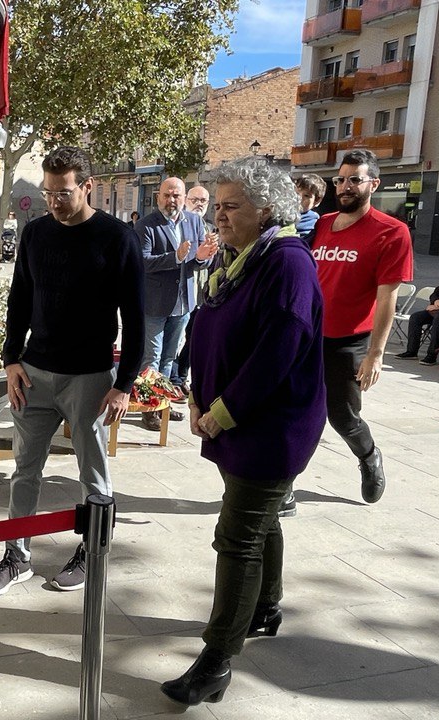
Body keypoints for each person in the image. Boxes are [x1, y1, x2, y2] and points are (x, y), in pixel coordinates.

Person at [160, 156, 325, 709]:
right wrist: (194, 391)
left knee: (237, 538)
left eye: (231, 207)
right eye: (219, 205)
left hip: (269, 426)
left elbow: (279, 350)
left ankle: (216, 660)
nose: (220, 217)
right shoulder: (240, 258)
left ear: (267, 209)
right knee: (259, 518)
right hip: (231, 416)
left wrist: (222, 410)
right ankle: (265, 608)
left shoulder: (287, 263)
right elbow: (210, 322)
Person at [0, 146, 145, 597]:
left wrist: (124, 383)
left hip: (89, 376)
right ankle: (17, 556)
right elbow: (19, 300)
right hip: (34, 372)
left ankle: (93, 551)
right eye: (49, 192)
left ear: (87, 186)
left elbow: (136, 317)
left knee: (92, 472)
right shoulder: (35, 235)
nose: (55, 201)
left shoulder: (117, 237)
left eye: (64, 192)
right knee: (23, 471)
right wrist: (11, 359)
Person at [304, 149, 413, 512]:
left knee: (342, 416)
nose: (346, 186)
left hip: (348, 340)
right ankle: (282, 483)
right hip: (306, 335)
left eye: (355, 179)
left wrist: (376, 354)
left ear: (373, 184)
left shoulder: (392, 232)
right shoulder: (322, 224)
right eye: (341, 179)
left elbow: (387, 299)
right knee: (296, 410)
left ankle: (369, 455)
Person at [136, 177, 219, 429]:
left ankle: (163, 404)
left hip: (183, 302)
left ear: (185, 198)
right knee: (152, 358)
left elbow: (196, 261)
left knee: (170, 359)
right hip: (155, 304)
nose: (171, 200)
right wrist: (176, 257)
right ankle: (148, 408)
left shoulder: (194, 222)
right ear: (158, 196)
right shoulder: (146, 225)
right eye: (167, 195)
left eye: (176, 196)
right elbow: (142, 262)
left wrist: (203, 257)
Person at [172, 185, 217, 394]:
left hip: (202, 294)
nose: (199, 204)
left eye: (204, 201)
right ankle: (172, 379)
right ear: (185, 199)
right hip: (179, 295)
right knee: (174, 340)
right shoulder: (178, 225)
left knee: (193, 340)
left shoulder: (209, 227)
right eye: (195, 199)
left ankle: (181, 377)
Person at [294, 173, 326, 245]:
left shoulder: (315, 223)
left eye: (306, 195)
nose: (299, 198)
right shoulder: (282, 216)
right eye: (296, 193)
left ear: (317, 201)